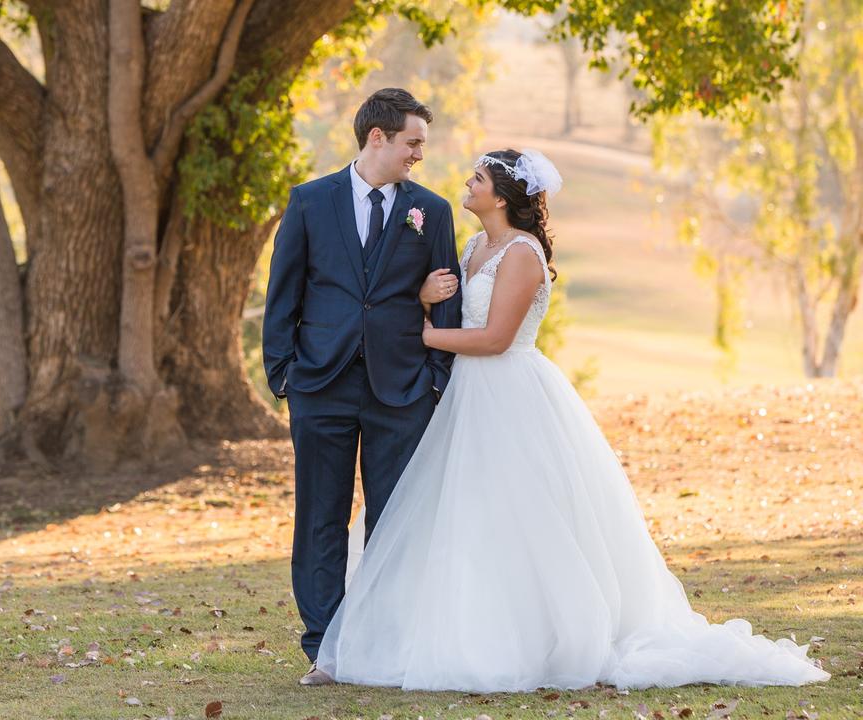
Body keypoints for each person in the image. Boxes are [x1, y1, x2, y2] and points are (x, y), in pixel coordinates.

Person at [313, 148, 831, 691]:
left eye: (479, 178)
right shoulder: (473, 247)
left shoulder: (521, 253)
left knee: (519, 514)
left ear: (504, 196)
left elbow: (494, 339)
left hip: (509, 393)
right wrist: (422, 301)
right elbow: (458, 315)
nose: (467, 183)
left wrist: (418, 336)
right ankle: (456, 628)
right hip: (464, 395)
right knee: (461, 512)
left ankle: (533, 640)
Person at [261, 87, 463, 686]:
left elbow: (445, 299)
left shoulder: (432, 210)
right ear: (378, 138)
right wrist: (284, 375)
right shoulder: (309, 202)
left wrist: (434, 381)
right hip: (320, 385)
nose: (418, 155)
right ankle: (325, 649)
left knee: (393, 521)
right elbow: (283, 294)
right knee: (319, 518)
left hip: (401, 389)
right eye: (412, 143)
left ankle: (384, 642)